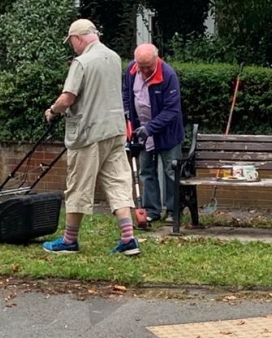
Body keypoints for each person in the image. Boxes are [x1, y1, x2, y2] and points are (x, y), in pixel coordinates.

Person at [42, 19, 140, 256]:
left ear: (77, 38)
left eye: (71, 42)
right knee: (118, 182)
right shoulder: (114, 58)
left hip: (88, 133)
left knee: (78, 186)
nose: (72, 47)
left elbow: (68, 98)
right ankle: (128, 239)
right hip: (115, 131)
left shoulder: (82, 62)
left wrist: (52, 111)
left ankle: (69, 240)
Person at [123, 43, 185, 224]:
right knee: (146, 171)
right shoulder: (131, 70)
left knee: (170, 172)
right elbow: (126, 93)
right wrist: (127, 112)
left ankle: (174, 211)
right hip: (140, 131)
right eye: (140, 66)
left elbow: (172, 110)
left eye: (147, 67)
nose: (143, 71)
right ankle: (152, 210)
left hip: (167, 133)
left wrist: (150, 128)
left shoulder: (168, 75)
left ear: (156, 60)